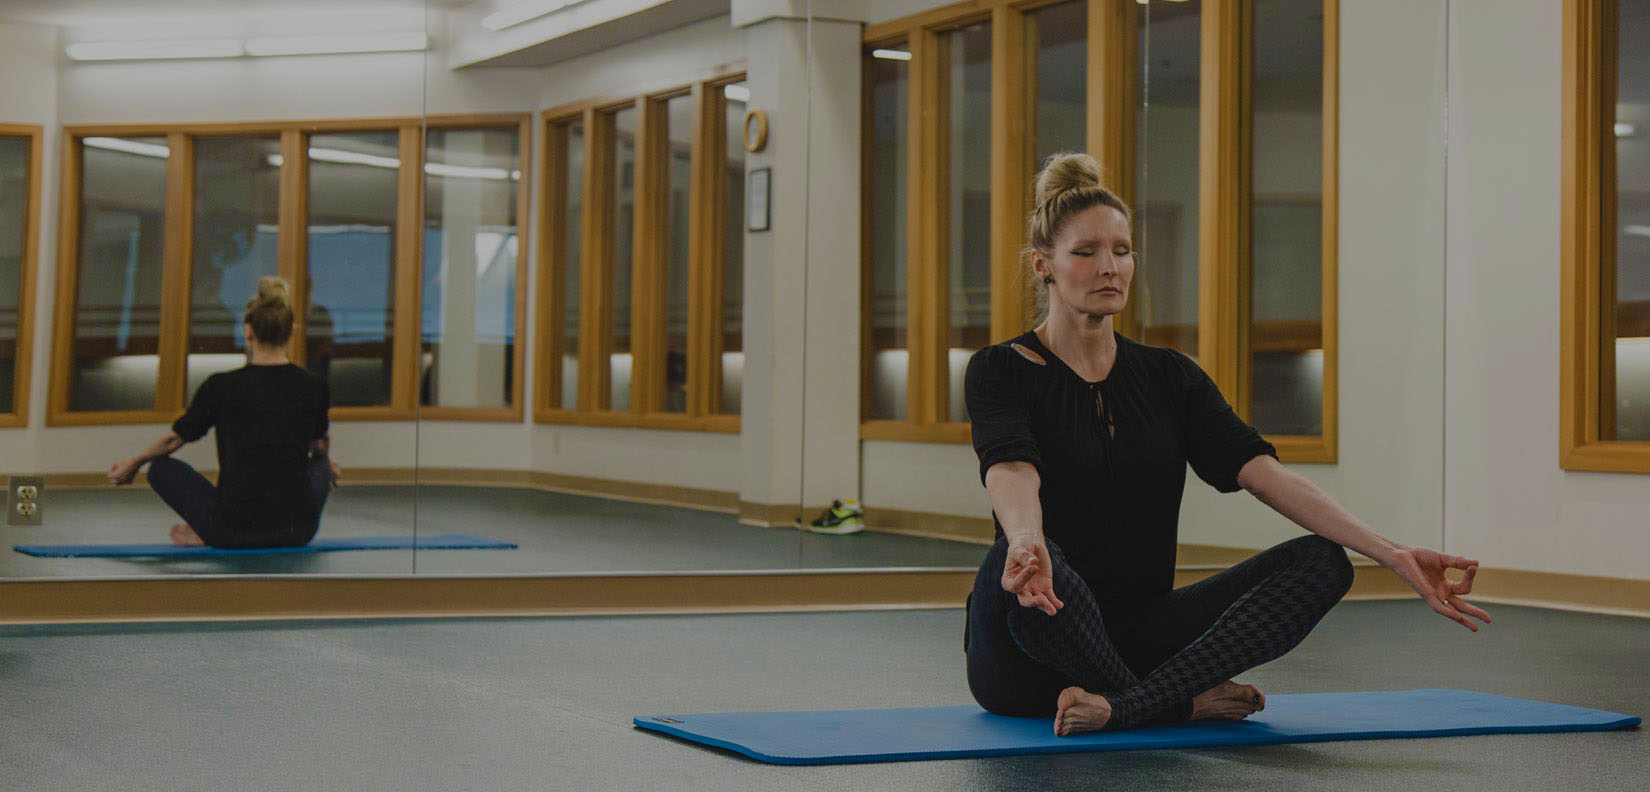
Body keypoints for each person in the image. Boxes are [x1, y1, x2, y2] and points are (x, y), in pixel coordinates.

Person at [963, 152, 1491, 735]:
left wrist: (1390, 553)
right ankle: (1176, 703)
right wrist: (1026, 540)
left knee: (1322, 560)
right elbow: (1012, 467)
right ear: (1044, 265)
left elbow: (1264, 473)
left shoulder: (1170, 376)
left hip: (1144, 637)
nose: (1109, 267)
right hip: (1033, 646)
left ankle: (1129, 705)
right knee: (1028, 564)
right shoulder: (1001, 369)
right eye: (1085, 253)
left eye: (1121, 249)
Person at [107, 276, 341, 549]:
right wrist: (328, 466)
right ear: (292, 331)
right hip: (296, 531)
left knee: (160, 468)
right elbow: (320, 446)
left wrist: (135, 462)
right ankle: (210, 528)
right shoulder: (313, 385)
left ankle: (201, 530)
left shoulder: (222, 385)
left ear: (248, 332)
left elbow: (173, 440)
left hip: (230, 533)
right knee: (321, 464)